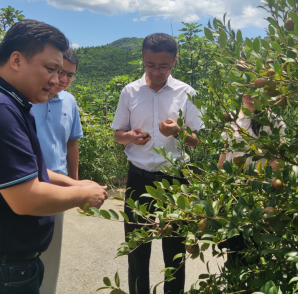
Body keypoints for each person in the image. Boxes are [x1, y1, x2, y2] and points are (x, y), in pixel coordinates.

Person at [0, 19, 108, 294]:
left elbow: (32, 172)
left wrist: (76, 183)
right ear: (17, 60)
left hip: (5, 267)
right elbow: (25, 198)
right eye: (50, 69)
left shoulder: (8, 102)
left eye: (60, 72)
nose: (56, 80)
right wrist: (84, 196)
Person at [112, 33, 203, 294]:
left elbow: (196, 140)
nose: (156, 71)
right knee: (137, 249)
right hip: (138, 177)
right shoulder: (130, 91)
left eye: (164, 65)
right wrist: (130, 137)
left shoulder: (187, 93)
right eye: (151, 64)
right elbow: (118, 133)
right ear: (142, 58)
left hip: (176, 181)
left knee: (174, 251)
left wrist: (178, 132)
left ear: (175, 61)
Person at [31, 48, 82, 294]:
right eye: (60, 71)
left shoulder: (69, 101)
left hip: (57, 187)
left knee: (51, 250)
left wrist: (75, 183)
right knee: (22, 250)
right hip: (25, 183)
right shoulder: (26, 99)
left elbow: (72, 143)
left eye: (70, 75)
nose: (63, 79)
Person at [217, 94, 285, 266]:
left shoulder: (272, 120)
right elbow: (224, 155)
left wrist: (257, 180)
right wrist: (218, 187)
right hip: (232, 195)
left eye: (254, 86)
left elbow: (279, 159)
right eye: (246, 86)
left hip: (258, 197)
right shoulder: (231, 117)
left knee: (255, 252)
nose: (249, 92)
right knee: (234, 253)